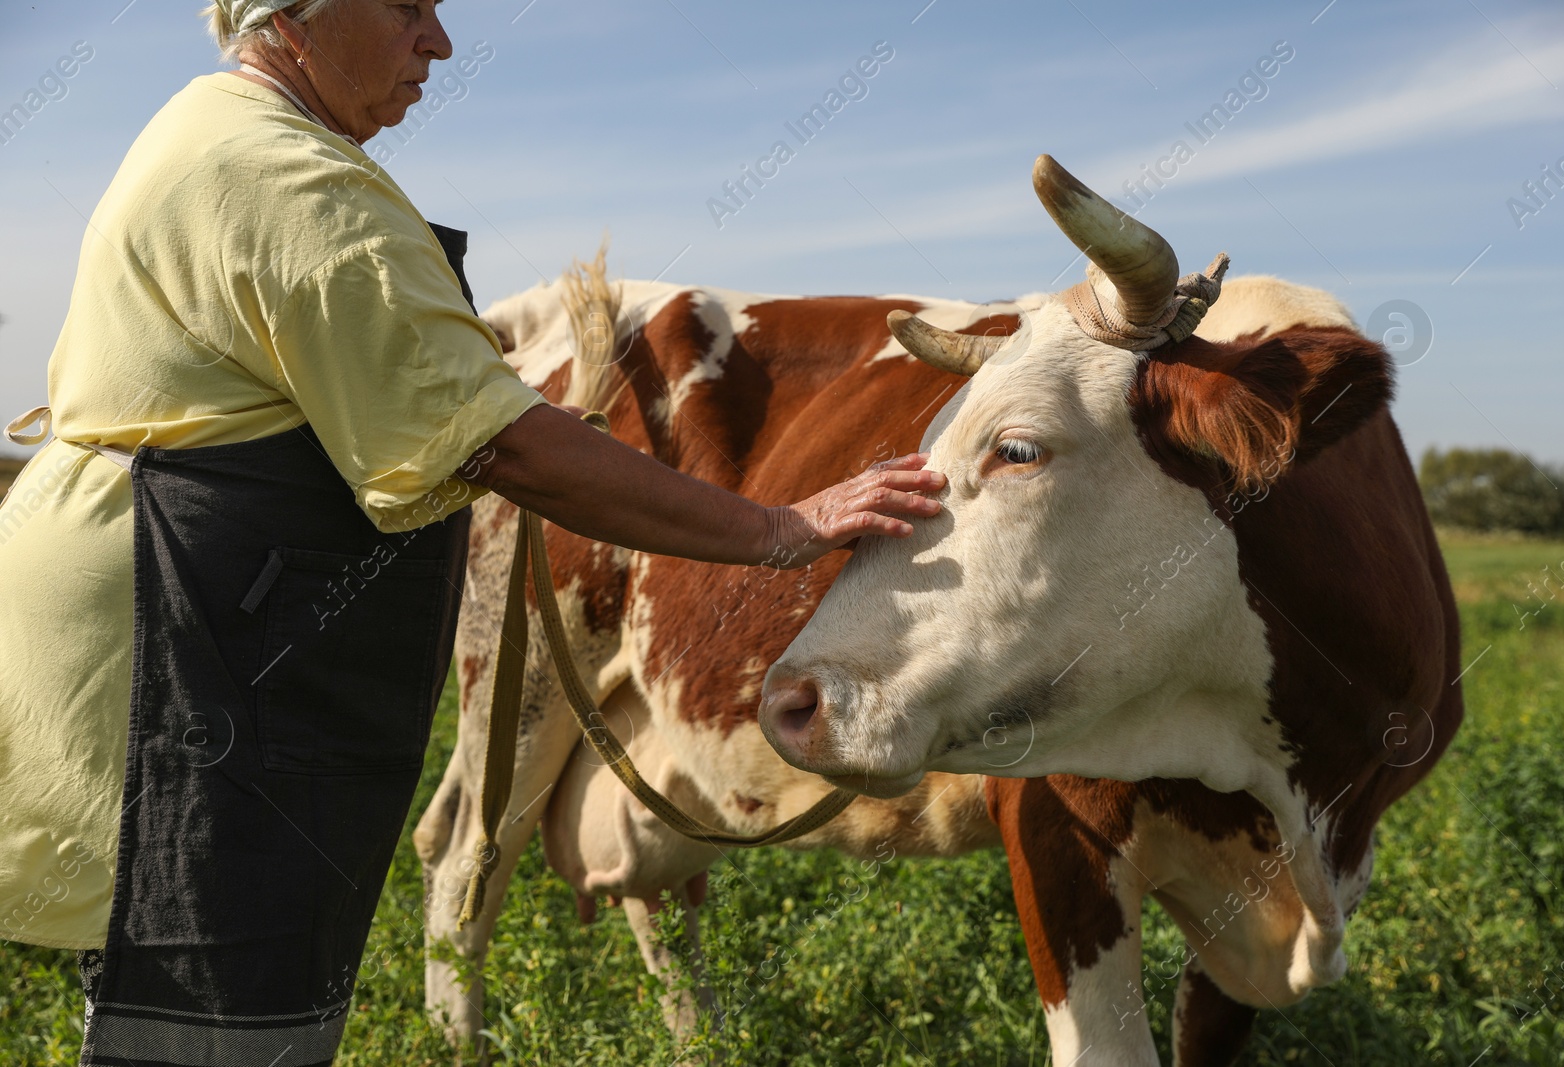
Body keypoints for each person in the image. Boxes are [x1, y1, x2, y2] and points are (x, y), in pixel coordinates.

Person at [0, 2, 944, 1064]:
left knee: (166, 984)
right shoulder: (296, 180)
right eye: (406, 6)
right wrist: (782, 521)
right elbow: (506, 447)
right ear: (297, 16)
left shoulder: (210, 132)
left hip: (168, 611)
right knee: (210, 1012)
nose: (438, 42)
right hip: (189, 643)